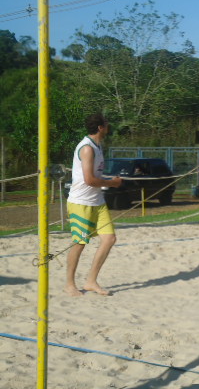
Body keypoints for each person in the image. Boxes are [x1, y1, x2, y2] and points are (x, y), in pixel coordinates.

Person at [65, 114, 123, 296]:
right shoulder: (87, 148)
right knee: (79, 243)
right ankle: (69, 284)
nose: (108, 126)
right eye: (106, 124)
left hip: (97, 201)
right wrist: (112, 183)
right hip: (80, 202)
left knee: (109, 239)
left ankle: (91, 281)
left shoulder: (98, 146)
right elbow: (89, 180)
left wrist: (110, 180)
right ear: (100, 127)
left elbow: (95, 176)